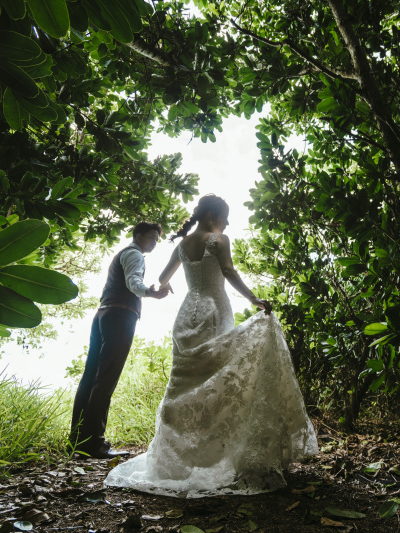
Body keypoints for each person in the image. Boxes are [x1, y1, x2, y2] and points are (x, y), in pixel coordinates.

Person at [104, 195, 318, 497]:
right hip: (215, 310)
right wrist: (254, 299)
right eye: (224, 217)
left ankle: (184, 458)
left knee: (186, 383)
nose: (227, 223)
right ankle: (219, 455)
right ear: (210, 216)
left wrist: (165, 288)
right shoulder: (218, 239)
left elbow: (163, 278)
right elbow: (228, 272)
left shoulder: (181, 245)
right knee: (218, 380)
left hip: (187, 315)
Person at [70, 222, 171, 459]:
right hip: (120, 315)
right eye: (152, 237)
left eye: (158, 239)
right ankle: (94, 444)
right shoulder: (134, 254)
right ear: (138, 235)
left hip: (103, 315)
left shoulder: (123, 254)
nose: (155, 242)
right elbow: (133, 282)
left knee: (91, 377)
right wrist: (152, 293)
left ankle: (77, 441)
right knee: (105, 379)